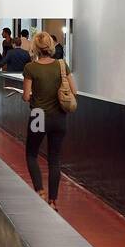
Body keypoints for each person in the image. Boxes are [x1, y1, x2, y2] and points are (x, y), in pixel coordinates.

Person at [23, 30, 78, 213]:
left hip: (38, 114)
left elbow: (25, 96)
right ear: (50, 46)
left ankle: (40, 190)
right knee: (54, 158)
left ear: (35, 48)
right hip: (59, 117)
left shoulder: (31, 68)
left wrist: (32, 96)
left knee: (32, 153)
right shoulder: (62, 65)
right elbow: (74, 91)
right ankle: (53, 201)